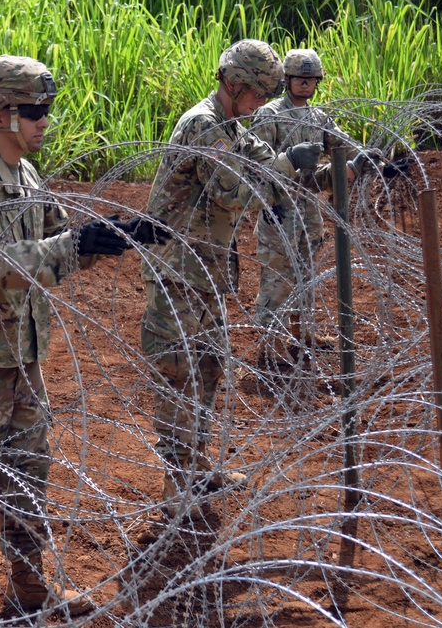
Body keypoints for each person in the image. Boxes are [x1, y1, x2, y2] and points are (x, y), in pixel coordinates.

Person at [0, 55, 159, 616]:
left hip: (22, 357)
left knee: (29, 479)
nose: (44, 121)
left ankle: (29, 590)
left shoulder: (26, 177)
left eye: (47, 110)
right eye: (34, 111)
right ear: (0, 114)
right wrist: (74, 246)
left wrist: (116, 236)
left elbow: (58, 241)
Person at [140, 39, 377, 519]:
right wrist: (291, 162)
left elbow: (277, 178)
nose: (262, 102)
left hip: (204, 268)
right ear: (234, 84)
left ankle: (198, 465)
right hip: (176, 270)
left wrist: (343, 170)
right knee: (179, 375)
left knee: (208, 369)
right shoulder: (205, 126)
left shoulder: (234, 127)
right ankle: (173, 486)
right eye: (258, 92)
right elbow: (235, 191)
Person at [249, 48, 376, 365]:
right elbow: (258, 167)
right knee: (277, 282)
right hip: (278, 210)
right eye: (299, 79)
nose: (305, 85)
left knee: (305, 279)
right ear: (287, 79)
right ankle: (269, 347)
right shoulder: (269, 116)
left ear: (317, 82)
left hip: (307, 211)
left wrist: (372, 157)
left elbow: (345, 146)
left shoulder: (319, 118)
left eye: (310, 80)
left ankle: (301, 335)